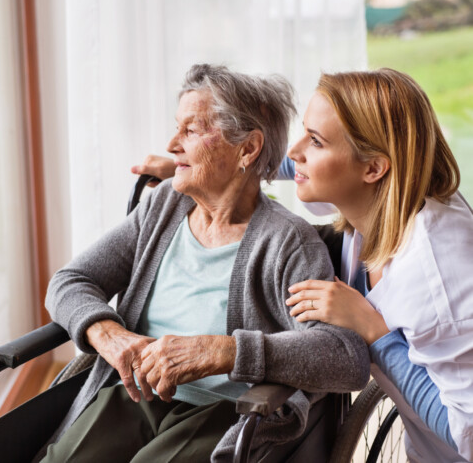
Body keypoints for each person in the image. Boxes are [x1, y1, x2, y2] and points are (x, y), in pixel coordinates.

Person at [135, 68, 473, 463]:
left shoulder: (437, 273)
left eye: (314, 140)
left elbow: (465, 433)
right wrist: (210, 163)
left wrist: (372, 331)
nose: (295, 152)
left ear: (373, 168)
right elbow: (299, 165)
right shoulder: (378, 198)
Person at [40, 64, 370, 463]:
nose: (172, 143)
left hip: (226, 411)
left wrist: (225, 351)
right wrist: (112, 337)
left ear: (247, 149)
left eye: (191, 131)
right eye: (177, 127)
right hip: (134, 397)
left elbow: (344, 356)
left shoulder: (287, 241)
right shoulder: (164, 207)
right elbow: (71, 280)